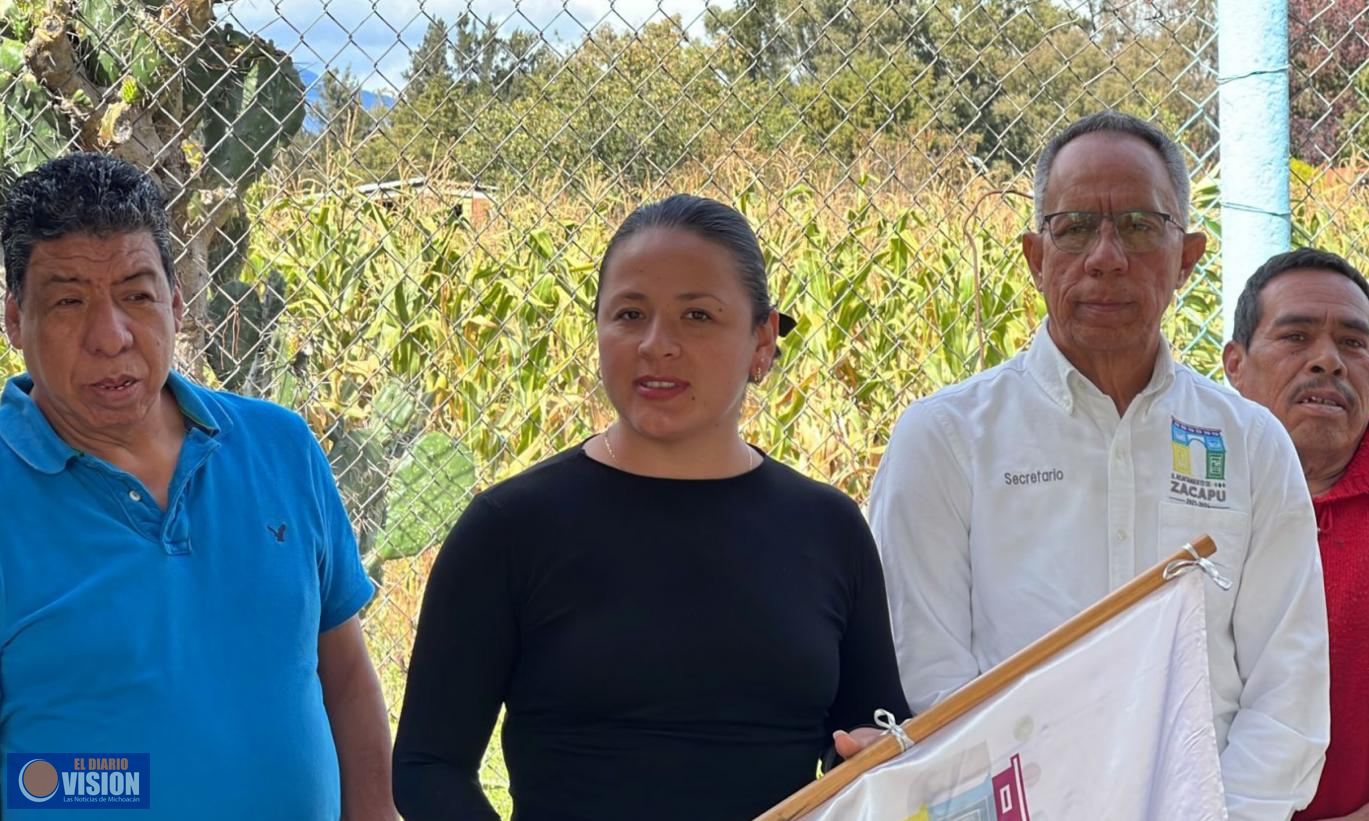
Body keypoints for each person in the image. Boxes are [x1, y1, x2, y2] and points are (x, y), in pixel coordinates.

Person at [868, 111, 1329, 821]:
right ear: (1033, 255)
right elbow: (931, 683)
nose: (1106, 256)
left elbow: (1286, 689)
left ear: (1187, 257)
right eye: (1075, 227)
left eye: (1141, 227)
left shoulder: (1250, 445)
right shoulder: (944, 440)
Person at [392, 194, 909, 821]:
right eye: (630, 314)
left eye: (697, 315)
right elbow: (428, 767)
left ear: (762, 341)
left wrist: (876, 758)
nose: (657, 345)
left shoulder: (829, 529)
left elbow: (870, 736)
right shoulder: (511, 528)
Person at [0, 153, 395, 819]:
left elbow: (345, 674)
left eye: (137, 294)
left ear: (176, 303)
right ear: (15, 321)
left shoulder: (281, 446)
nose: (111, 335)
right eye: (69, 300)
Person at [1224, 247, 1369, 821]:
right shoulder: (1174, 488)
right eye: (1296, 337)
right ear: (1235, 364)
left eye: (1354, 343)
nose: (1328, 361)